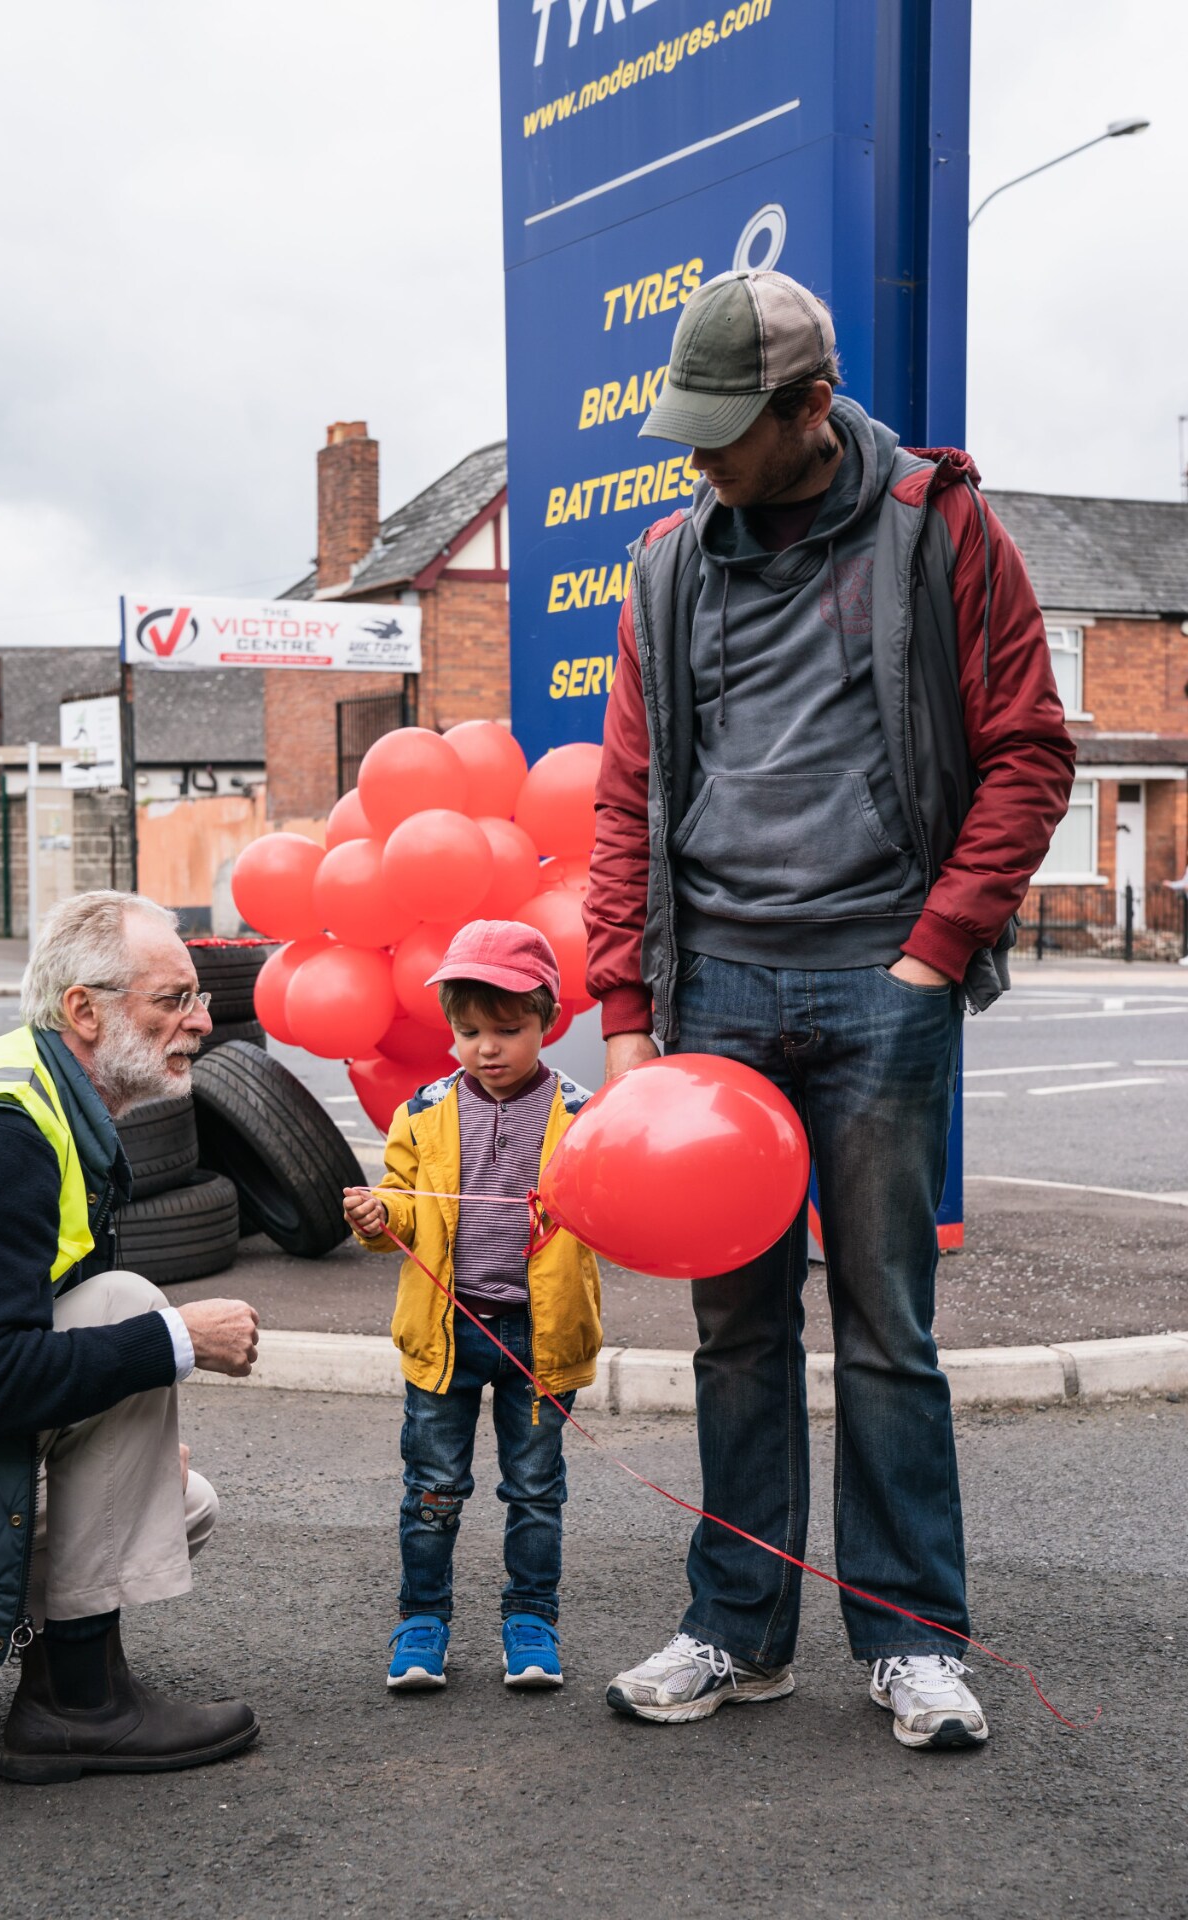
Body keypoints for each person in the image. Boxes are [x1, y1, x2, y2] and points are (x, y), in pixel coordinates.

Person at [584, 268, 1075, 1749]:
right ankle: (736, 1632)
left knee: (884, 1331)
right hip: (715, 991)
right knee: (733, 1333)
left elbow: (1029, 754)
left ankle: (914, 1641)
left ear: (811, 410)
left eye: (728, 430)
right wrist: (623, 1016)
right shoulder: (669, 563)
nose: (700, 457)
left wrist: (931, 954)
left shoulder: (943, 532)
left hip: (881, 979)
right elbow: (625, 800)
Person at [0, 890, 262, 1783]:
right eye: (171, 999)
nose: (199, 1020)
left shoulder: (49, 1101)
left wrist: (132, 1443)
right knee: (129, 1310)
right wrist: (175, 1339)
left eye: (199, 999)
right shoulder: (8, 1132)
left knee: (179, 1502)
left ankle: (71, 1684)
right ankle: (76, 1705)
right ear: (85, 1010)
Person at [342, 920, 602, 1694]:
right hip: (446, 1330)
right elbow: (402, 1206)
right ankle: (421, 1621)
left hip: (542, 1338)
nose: (486, 1047)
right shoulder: (422, 1113)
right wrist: (379, 1218)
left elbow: (610, 1212)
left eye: (507, 1030)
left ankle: (532, 1622)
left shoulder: (582, 1117)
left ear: (547, 1021)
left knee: (534, 1491)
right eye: (468, 1032)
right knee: (431, 1490)